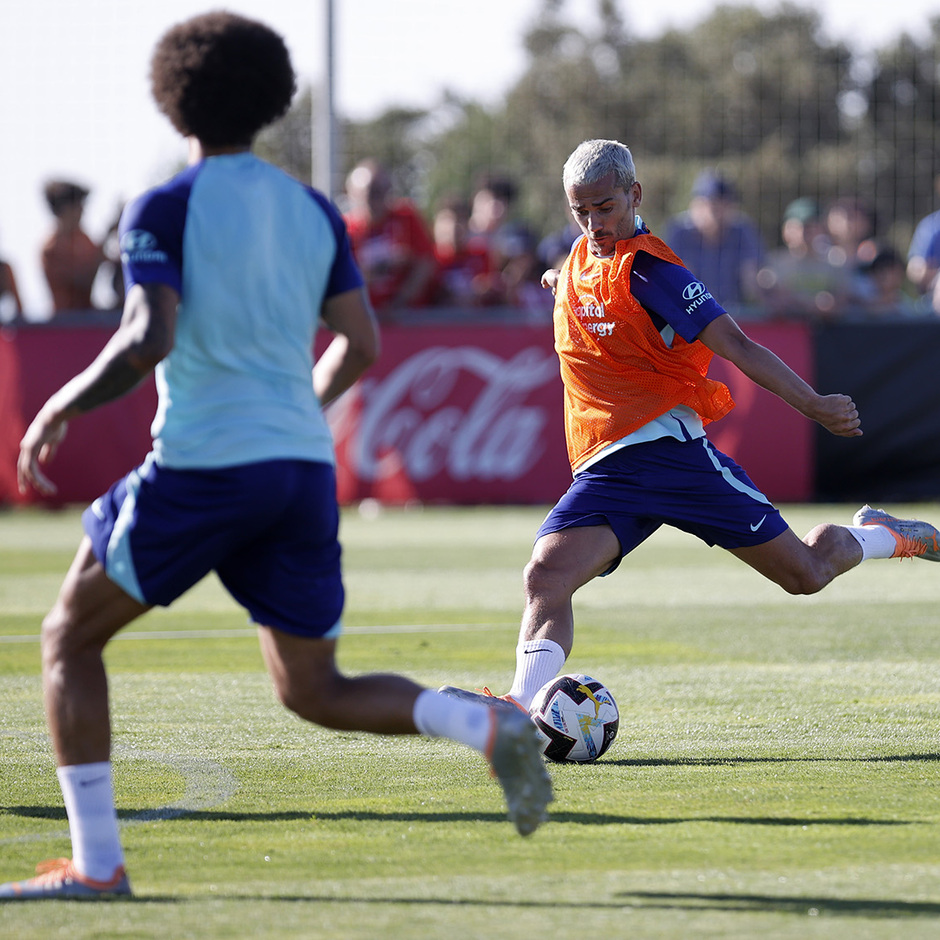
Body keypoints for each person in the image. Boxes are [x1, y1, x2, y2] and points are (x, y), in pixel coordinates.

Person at [1, 12, 550, 901]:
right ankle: (484, 726)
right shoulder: (311, 210)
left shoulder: (166, 206)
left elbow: (147, 337)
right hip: (299, 469)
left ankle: (97, 866)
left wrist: (59, 404)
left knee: (67, 638)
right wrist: (302, 407)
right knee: (312, 688)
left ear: (173, 104)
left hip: (204, 464)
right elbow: (362, 344)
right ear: (270, 102)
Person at [440, 138, 940, 718]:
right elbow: (580, 274)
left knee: (806, 575)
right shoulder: (579, 258)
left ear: (635, 194)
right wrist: (558, 278)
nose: (594, 223)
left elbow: (734, 342)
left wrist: (811, 402)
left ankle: (888, 536)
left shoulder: (655, 272)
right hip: (609, 469)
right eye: (581, 212)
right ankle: (523, 707)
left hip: (672, 458)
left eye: (605, 208)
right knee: (546, 573)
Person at [342, 159, 439, 313]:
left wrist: (400, 300)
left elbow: (426, 263)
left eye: (382, 190)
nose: (376, 198)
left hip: (406, 317)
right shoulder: (343, 230)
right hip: (364, 317)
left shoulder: (406, 217)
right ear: (352, 193)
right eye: (370, 191)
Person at [663, 168, 764, 315]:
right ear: (695, 205)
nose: (719, 211)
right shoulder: (679, 232)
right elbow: (679, 284)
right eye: (712, 205)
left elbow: (752, 280)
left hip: (737, 318)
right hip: (691, 316)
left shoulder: (742, 230)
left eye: (725, 204)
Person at [757, 197, 849, 321]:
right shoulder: (774, 262)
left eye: (812, 226)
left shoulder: (835, 262)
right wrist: (813, 305)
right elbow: (777, 300)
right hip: (787, 334)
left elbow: (842, 297)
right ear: (786, 229)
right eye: (799, 226)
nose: (805, 232)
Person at [40, 179, 106, 314]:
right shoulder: (51, 249)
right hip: (66, 324)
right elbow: (82, 281)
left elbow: (105, 259)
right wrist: (104, 242)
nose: (82, 211)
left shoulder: (83, 238)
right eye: (77, 205)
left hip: (89, 318)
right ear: (63, 209)